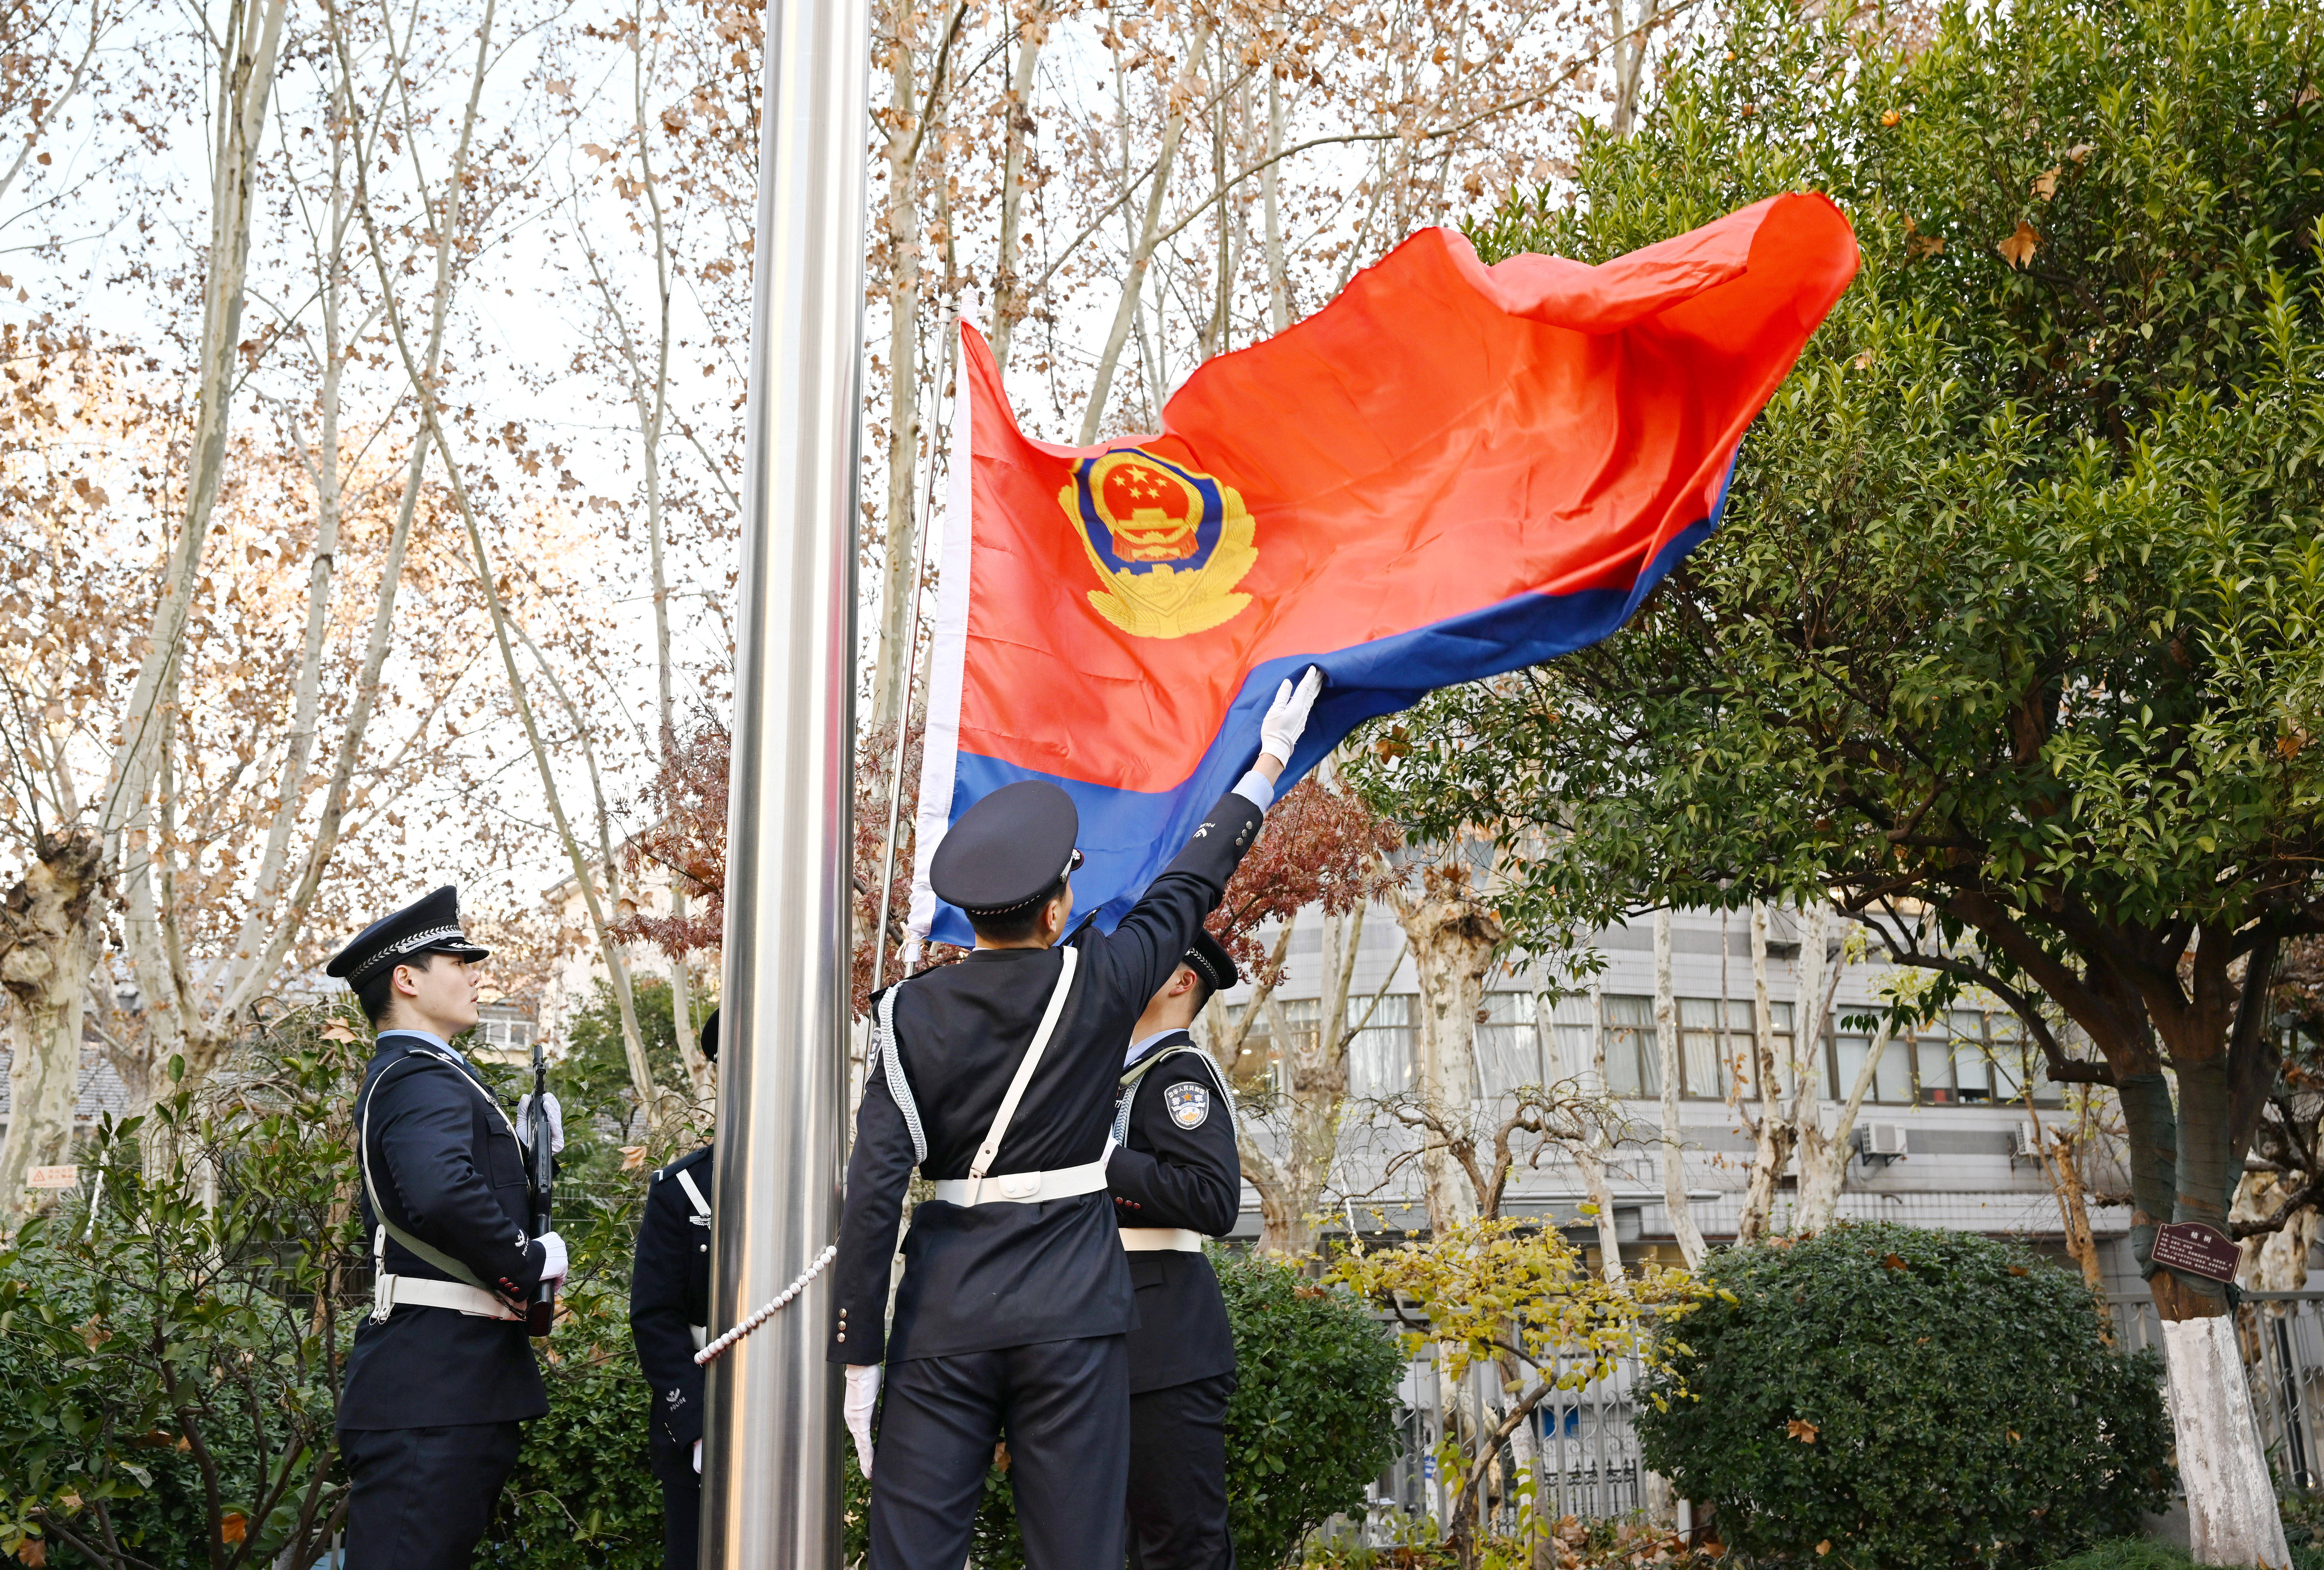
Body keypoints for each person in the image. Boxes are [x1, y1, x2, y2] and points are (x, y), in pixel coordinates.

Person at [829, 667, 1322, 1570]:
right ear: (1058, 904)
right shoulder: (1095, 979)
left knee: (913, 1555)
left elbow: (871, 1193)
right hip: (1072, 1310)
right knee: (1078, 1553)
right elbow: (1189, 885)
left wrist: (858, 1353)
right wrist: (1265, 767)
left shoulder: (902, 1013)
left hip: (944, 1310)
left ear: (970, 914)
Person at [331, 885, 569, 1570]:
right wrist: (529, 1260)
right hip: (433, 1389)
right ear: (406, 980)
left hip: (446, 1384)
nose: (474, 975)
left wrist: (531, 1156)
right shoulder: (419, 1078)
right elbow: (439, 1193)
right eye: (456, 961)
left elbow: (448, 1191)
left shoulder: (431, 1077)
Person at [1110, 929, 1245, 1570]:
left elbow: (1213, 1200)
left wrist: (1106, 1162)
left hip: (1164, 1342)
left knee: (1179, 1546)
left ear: (1181, 980)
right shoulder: (1119, 1075)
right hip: (1115, 1330)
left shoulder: (1179, 1075)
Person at [629, 1009, 721, 1570]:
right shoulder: (681, 1191)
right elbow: (656, 1316)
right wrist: (696, 1425)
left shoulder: (828, 1186)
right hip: (699, 1425)